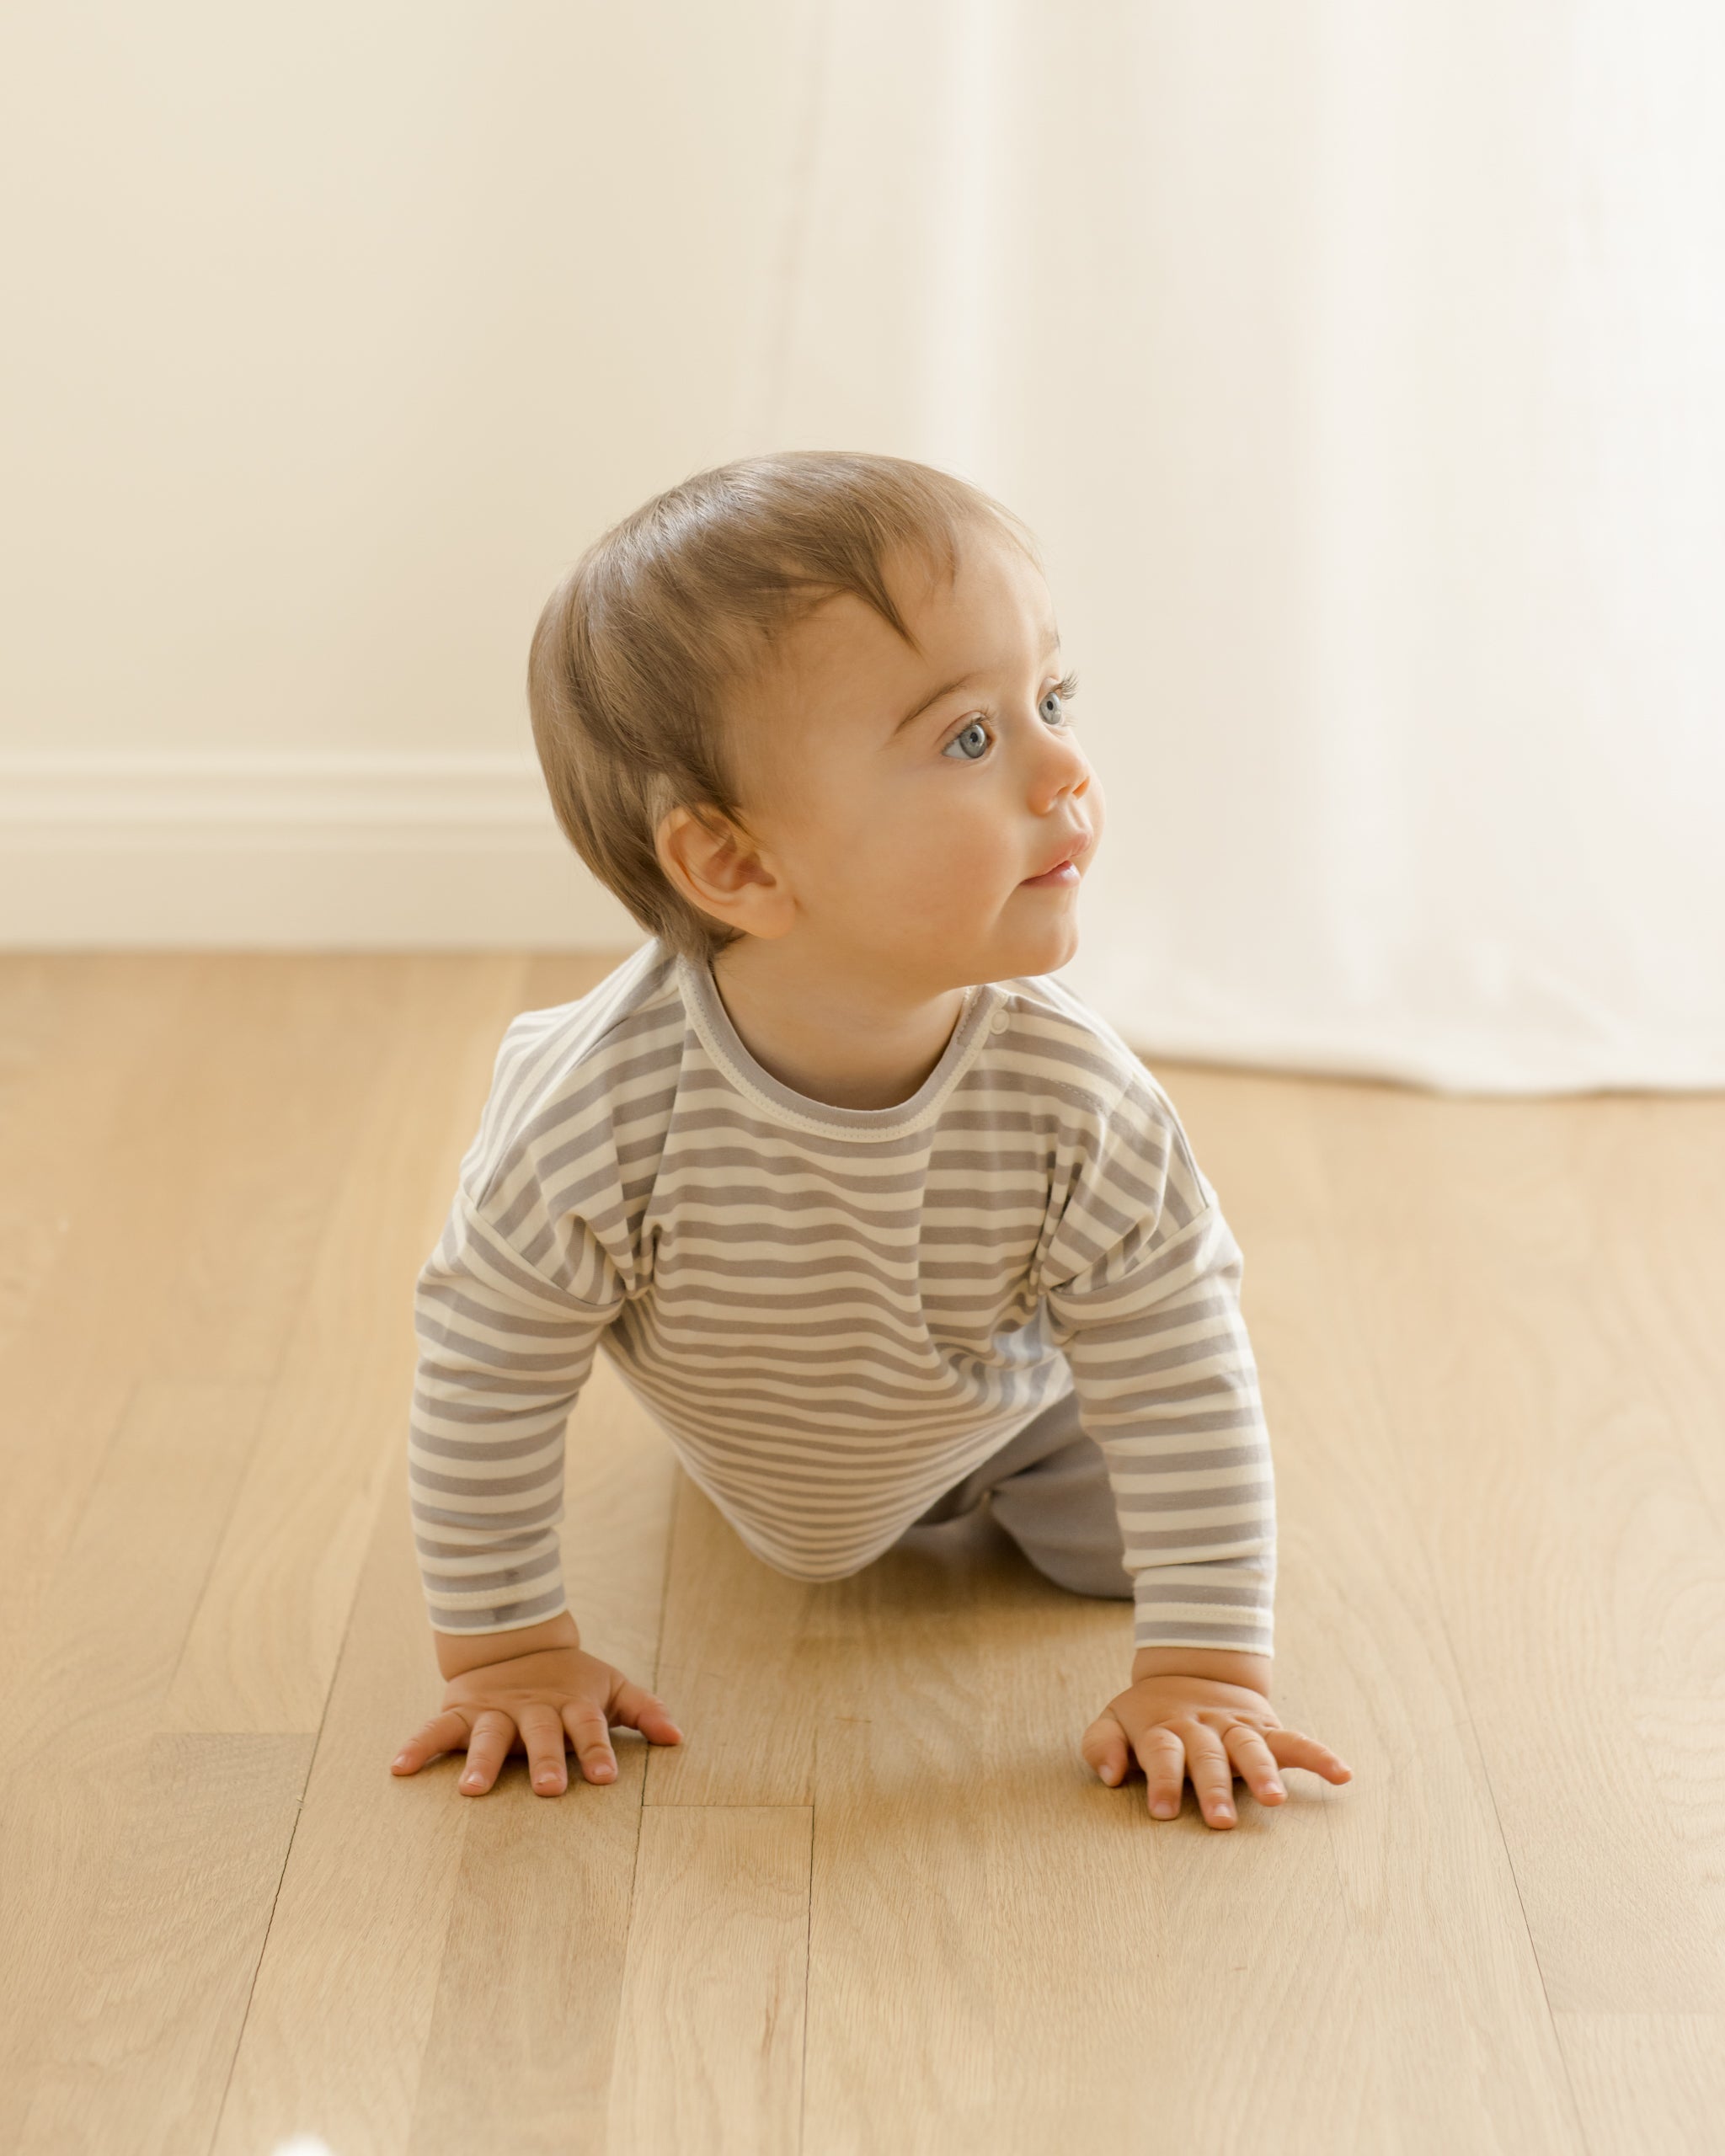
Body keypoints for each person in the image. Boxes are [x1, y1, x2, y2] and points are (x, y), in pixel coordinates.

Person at [389, 451, 1353, 1829]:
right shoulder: (593, 1114)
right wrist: (510, 1651)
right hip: (757, 1409)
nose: (1065, 764)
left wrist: (1206, 1669)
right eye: (972, 737)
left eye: (1052, 699)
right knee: (761, 1489)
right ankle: (799, 1432)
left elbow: (1178, 1361)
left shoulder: (1079, 1102)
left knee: (1141, 1547)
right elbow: (487, 1371)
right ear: (736, 867)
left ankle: (980, 1493)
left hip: (1013, 1410)